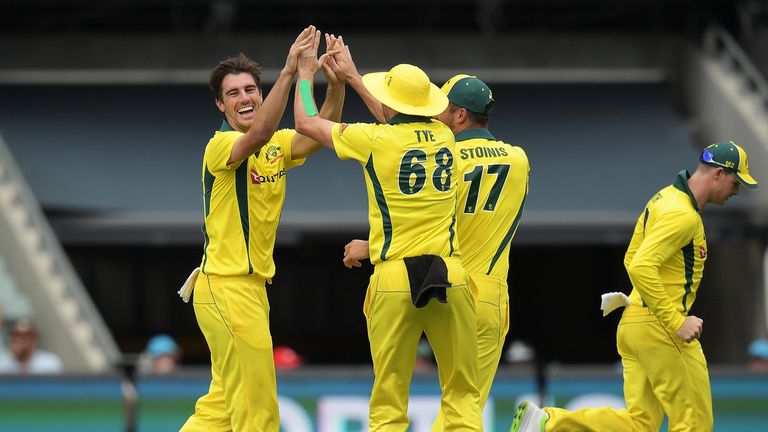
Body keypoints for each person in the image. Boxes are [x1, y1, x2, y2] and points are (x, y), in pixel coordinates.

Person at [294, 47, 483, 429]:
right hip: (450, 274)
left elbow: (306, 123)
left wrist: (303, 76)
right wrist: (354, 79)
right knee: (463, 392)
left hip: (395, 276)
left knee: (389, 396)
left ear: (390, 100)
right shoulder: (446, 136)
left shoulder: (375, 140)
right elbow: (397, 119)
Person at [511, 141, 759, 432]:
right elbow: (641, 265)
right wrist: (675, 321)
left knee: (639, 424)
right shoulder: (684, 215)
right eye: (735, 181)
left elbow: (631, 258)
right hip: (661, 329)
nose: (736, 191)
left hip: (635, 323)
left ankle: (548, 422)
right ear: (718, 173)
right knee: (694, 423)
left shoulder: (664, 198)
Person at [180, 26, 345, 432]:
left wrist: (335, 83)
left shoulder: (274, 145)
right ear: (220, 105)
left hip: (249, 289)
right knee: (258, 409)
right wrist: (291, 72)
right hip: (226, 286)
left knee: (221, 407)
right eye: (233, 93)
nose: (245, 98)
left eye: (251, 89)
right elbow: (259, 133)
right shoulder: (219, 146)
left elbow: (318, 134)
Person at [342, 75, 530, 427]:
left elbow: (396, 138)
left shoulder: (444, 155)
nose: (428, 115)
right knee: (465, 406)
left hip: (442, 280)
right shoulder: (518, 159)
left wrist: (370, 246)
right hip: (488, 294)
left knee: (399, 395)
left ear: (458, 116)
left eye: (440, 108)